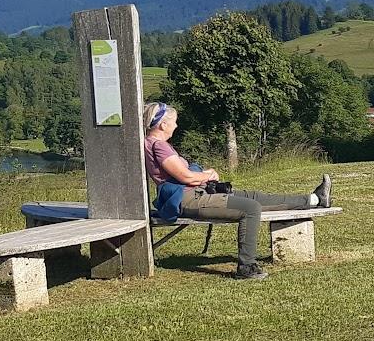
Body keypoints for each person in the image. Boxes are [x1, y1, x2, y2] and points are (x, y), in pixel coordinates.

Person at [142, 102, 331, 281]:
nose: (176, 125)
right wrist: (208, 175)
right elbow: (186, 178)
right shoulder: (159, 146)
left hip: (196, 194)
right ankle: (246, 266)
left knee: (253, 197)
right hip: (189, 199)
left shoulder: (154, 144)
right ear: (162, 124)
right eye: (174, 121)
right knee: (250, 208)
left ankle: (314, 199)